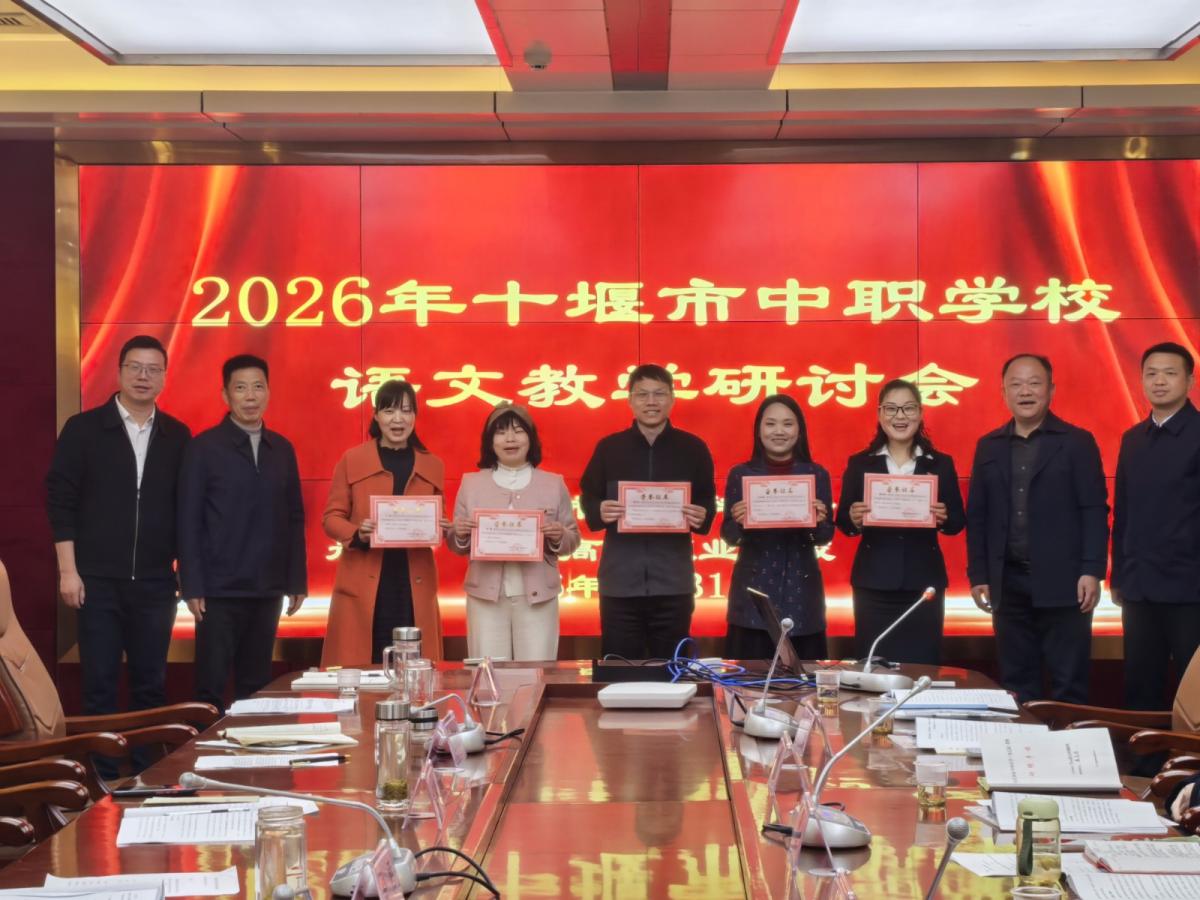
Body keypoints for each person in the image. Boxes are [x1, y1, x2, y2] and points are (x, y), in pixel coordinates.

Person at [45, 335, 190, 725]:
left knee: (150, 686)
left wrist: (186, 574)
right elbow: (60, 502)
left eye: (153, 370)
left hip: (156, 583)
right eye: (135, 368)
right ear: (120, 371)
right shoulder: (84, 429)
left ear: (164, 377)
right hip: (96, 581)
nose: (143, 377)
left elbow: (186, 510)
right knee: (99, 686)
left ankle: (147, 761)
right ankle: (101, 761)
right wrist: (68, 571)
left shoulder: (177, 435)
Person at [966, 354, 1108, 704]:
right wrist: (979, 574)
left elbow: (1094, 510)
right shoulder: (989, 445)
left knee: (1069, 682)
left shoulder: (1077, 442)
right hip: (1008, 583)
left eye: (1034, 383)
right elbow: (979, 515)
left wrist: (1092, 570)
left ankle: (1070, 741)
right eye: (1015, 384)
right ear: (1003, 393)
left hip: (1066, 582)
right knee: (1016, 682)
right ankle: (1024, 741)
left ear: (1051, 389)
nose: (1025, 391)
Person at [178, 354, 307, 711]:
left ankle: (252, 749)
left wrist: (296, 580)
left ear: (268, 392)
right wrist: (192, 585)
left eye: (258, 387)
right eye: (240, 388)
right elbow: (188, 520)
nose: (250, 396)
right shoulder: (203, 448)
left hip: (267, 589)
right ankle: (206, 747)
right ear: (225, 395)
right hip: (218, 591)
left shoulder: (282, 449)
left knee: (256, 687)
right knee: (210, 686)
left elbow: (294, 517)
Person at [580, 364, 716, 660]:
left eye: (659, 394)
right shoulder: (609, 448)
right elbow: (589, 496)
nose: (651, 402)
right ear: (630, 400)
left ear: (672, 399)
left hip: (673, 582)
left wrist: (702, 514)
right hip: (620, 582)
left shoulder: (693, 448)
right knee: (619, 667)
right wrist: (598, 509)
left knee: (671, 669)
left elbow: (707, 499)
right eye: (642, 395)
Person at [835, 380, 965, 666]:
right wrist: (854, 518)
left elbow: (957, 522)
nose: (900, 416)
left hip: (923, 587)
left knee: (922, 667)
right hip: (873, 585)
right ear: (880, 414)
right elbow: (842, 520)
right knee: (874, 668)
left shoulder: (940, 463)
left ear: (920, 413)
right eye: (891, 409)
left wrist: (944, 516)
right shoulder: (861, 463)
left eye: (908, 408)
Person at [322, 380, 444, 666]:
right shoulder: (353, 459)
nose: (398, 419)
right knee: (365, 663)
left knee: (413, 665)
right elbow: (331, 518)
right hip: (364, 579)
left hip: (413, 581)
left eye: (406, 411)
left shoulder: (432, 464)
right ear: (376, 415)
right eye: (389, 411)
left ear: (415, 416)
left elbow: (438, 517)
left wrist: (442, 526)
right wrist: (357, 532)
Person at [448, 403, 580, 660]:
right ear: (490, 441)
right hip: (485, 597)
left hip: (538, 597)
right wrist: (460, 532)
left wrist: (558, 535)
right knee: (489, 673)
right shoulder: (471, 484)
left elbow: (573, 538)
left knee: (536, 673)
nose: (510, 439)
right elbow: (455, 543)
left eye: (518, 431)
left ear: (531, 438)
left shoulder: (553, 483)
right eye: (501, 432)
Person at [1112, 342, 1200, 710]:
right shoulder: (1133, 439)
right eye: (1151, 374)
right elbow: (1123, 512)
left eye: (1169, 373)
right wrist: (1118, 576)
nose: (1159, 381)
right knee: (1140, 687)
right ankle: (1143, 751)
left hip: (1190, 589)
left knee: (1194, 694)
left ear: (1189, 381)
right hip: (1139, 588)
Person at [722, 394, 834, 660]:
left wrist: (819, 521)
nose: (779, 431)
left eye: (788, 424)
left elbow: (824, 536)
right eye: (770, 424)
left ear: (799, 430)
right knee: (748, 677)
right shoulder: (741, 474)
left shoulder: (816, 474)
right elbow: (728, 535)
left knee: (804, 679)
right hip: (753, 594)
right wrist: (739, 522)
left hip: (802, 591)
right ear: (759, 430)